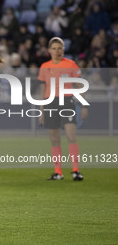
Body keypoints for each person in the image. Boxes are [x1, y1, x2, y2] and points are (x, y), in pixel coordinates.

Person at [38, 37, 88, 181]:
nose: (57, 51)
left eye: (59, 48)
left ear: (63, 50)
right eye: (54, 48)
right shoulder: (44, 67)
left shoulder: (71, 64)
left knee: (71, 136)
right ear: (49, 50)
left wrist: (84, 105)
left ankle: (76, 170)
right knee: (54, 139)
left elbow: (80, 86)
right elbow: (43, 91)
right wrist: (41, 111)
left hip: (67, 102)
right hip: (50, 103)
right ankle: (58, 172)